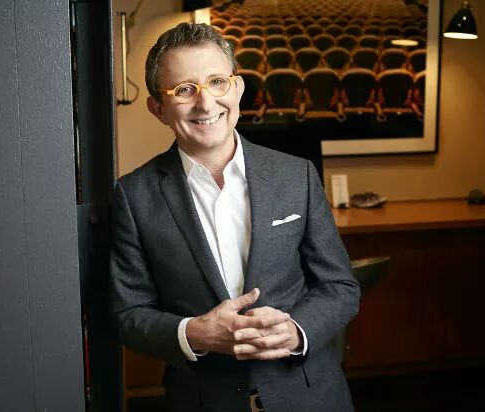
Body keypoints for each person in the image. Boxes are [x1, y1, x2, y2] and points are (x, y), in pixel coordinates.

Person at [109, 22, 360, 412]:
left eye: (217, 82)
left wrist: (297, 331)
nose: (205, 104)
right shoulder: (134, 195)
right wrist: (195, 333)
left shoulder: (298, 175)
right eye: (184, 90)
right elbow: (127, 314)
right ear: (158, 109)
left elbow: (340, 286)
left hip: (310, 396)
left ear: (238, 88)